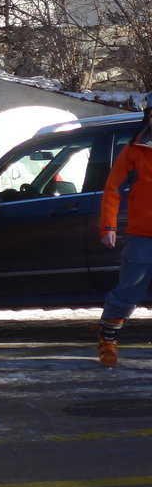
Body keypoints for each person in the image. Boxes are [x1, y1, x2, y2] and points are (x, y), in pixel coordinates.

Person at [96, 97, 152, 367]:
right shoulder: (135, 150)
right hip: (143, 236)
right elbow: (113, 188)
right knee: (129, 291)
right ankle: (108, 337)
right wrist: (108, 225)